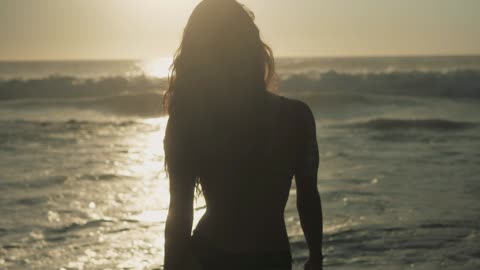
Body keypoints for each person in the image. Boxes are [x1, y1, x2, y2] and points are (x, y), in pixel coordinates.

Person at [163, 0, 323, 269]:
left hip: (208, 256)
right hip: (271, 258)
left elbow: (179, 212)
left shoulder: (188, 122)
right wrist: (316, 256)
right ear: (253, 47)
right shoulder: (296, 117)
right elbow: (308, 196)